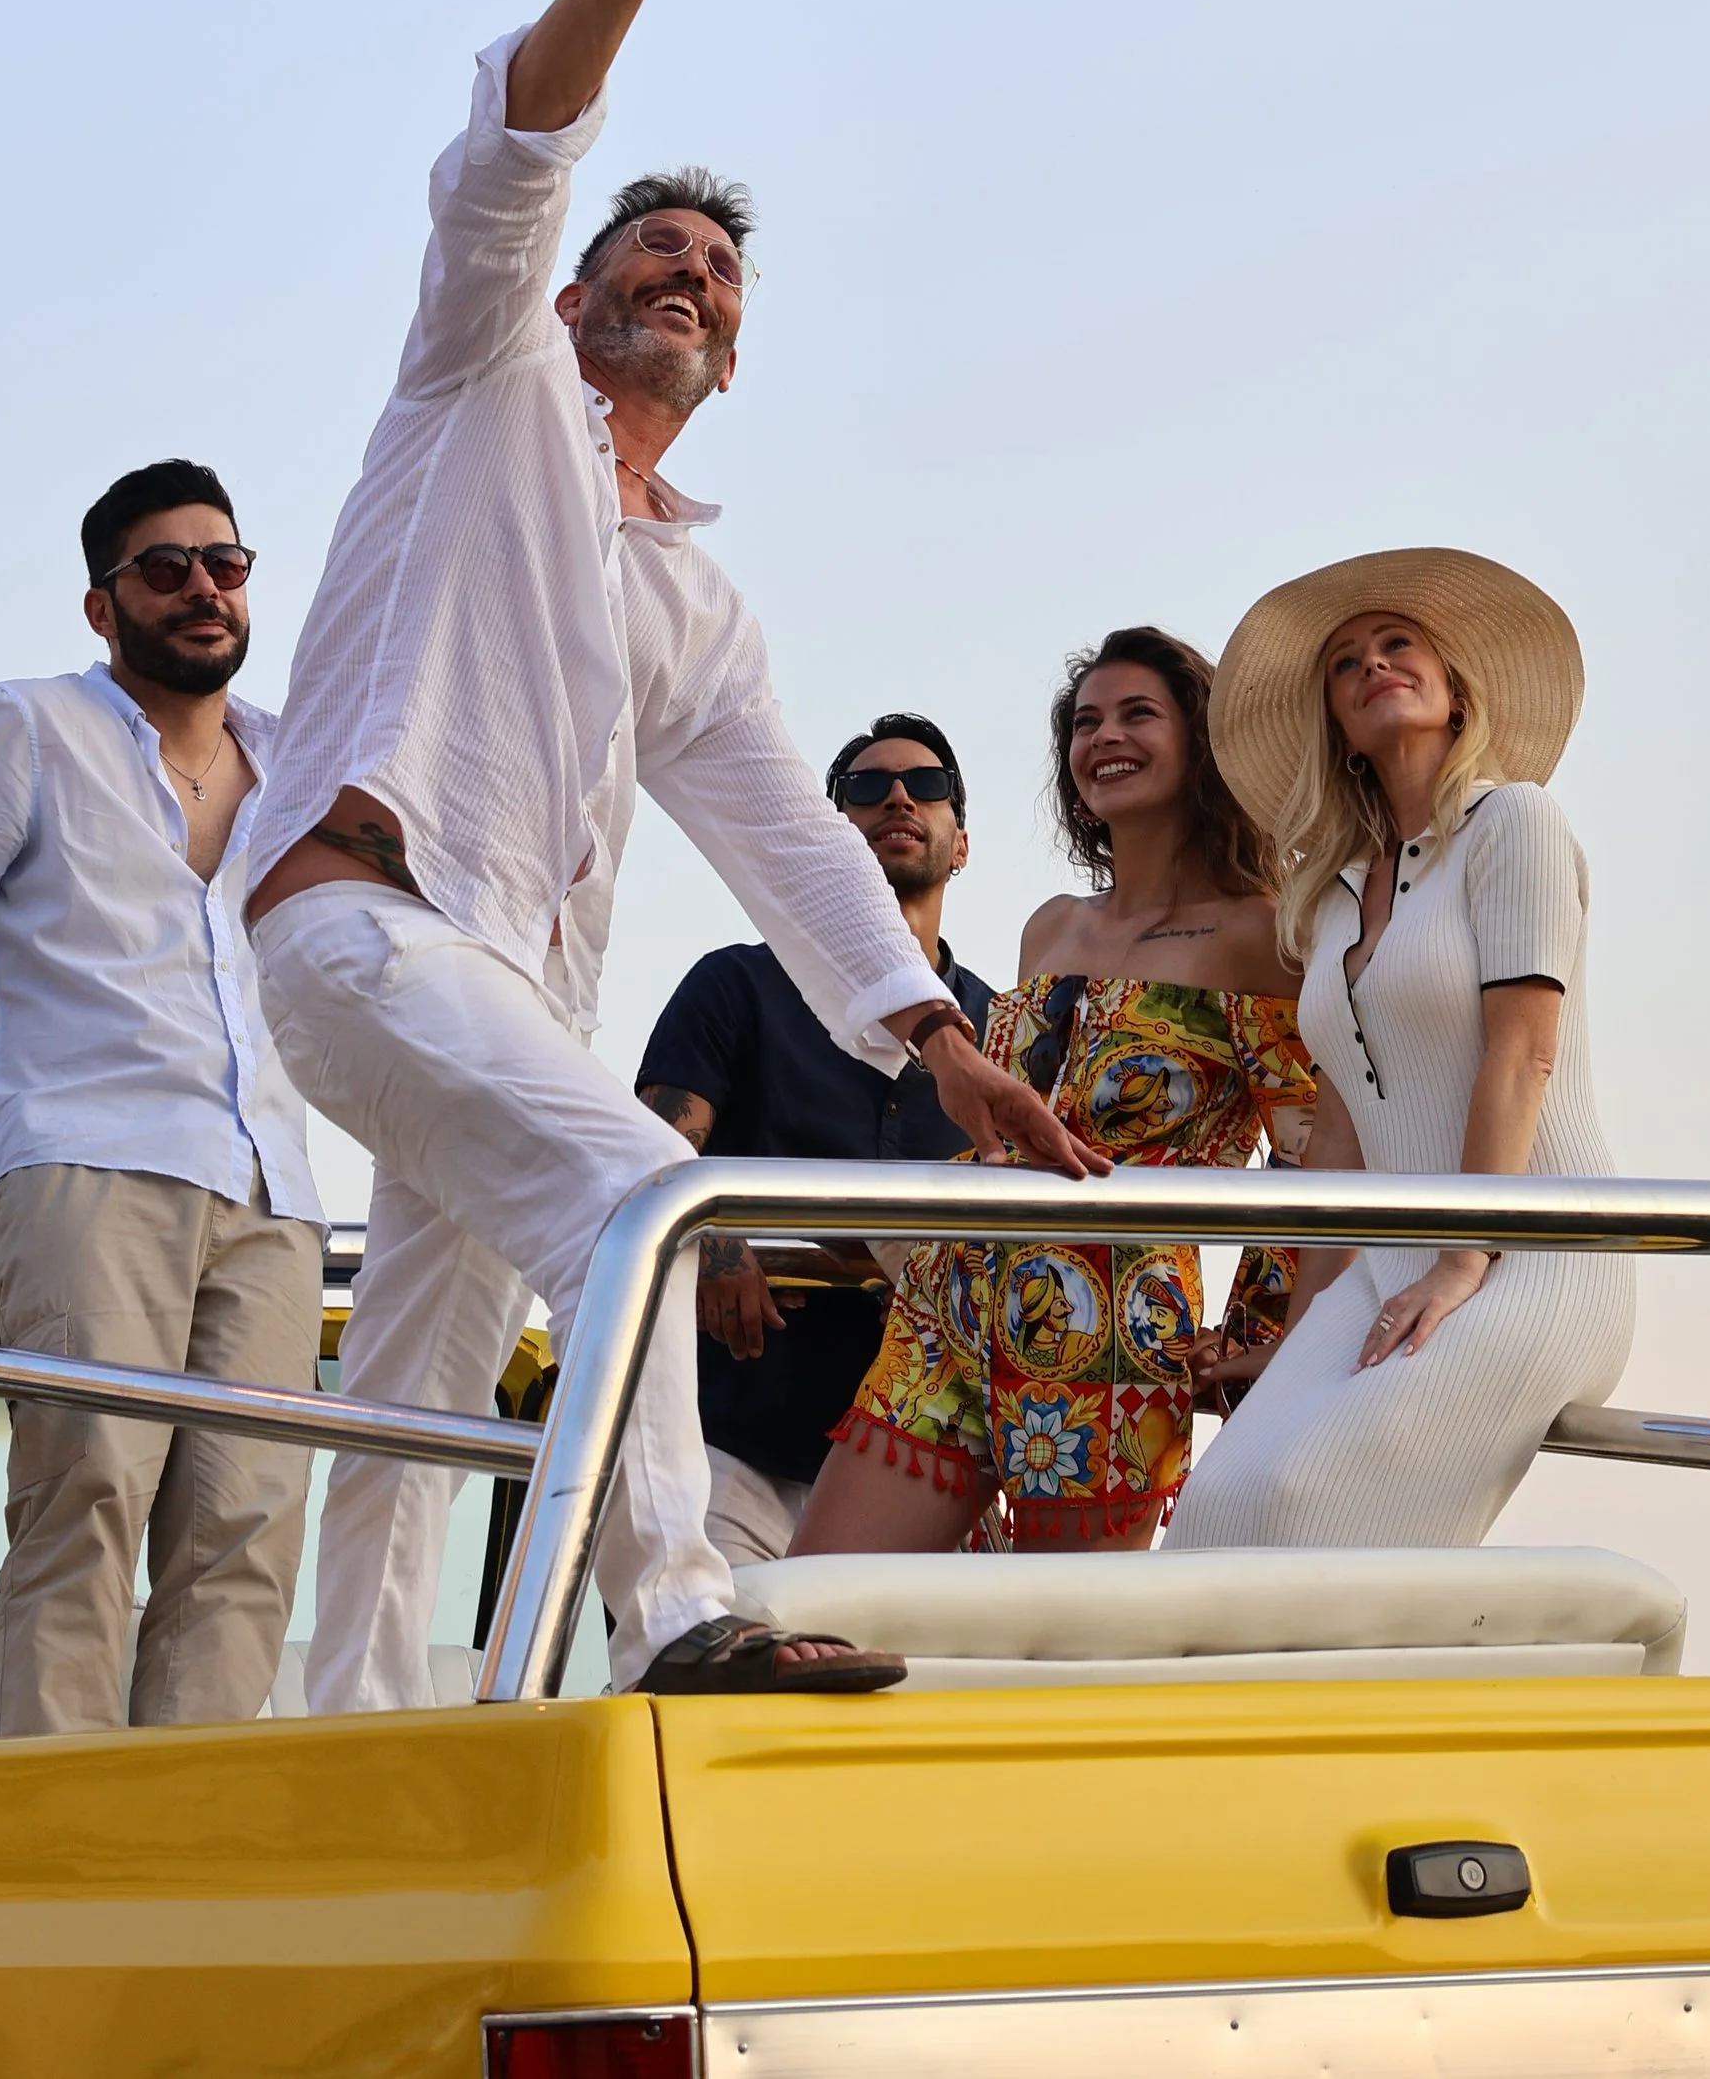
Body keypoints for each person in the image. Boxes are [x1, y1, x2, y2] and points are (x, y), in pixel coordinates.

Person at [242, 0, 1099, 1707]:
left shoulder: (695, 602)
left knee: (421, 1374)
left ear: (735, 348)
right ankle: (676, 1613)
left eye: (717, 264)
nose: (688, 270)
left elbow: (791, 837)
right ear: (571, 294)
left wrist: (944, 1045)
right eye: (653, 245)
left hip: (511, 986)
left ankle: (357, 1718)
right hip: (362, 927)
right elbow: (510, 157)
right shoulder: (482, 380)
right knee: (649, 1199)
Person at [0, 460, 325, 1735]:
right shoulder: (21, 729)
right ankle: (58, 1814)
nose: (202, 588)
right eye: (165, 568)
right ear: (103, 606)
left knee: (250, 1528)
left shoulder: (303, 762)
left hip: (270, 1186)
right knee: (86, 1493)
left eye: (225, 564)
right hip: (88, 1165)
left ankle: (188, 1825)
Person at [794, 627, 1315, 1555]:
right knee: (814, 1596)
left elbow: (1309, 1157)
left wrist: (1255, 1336)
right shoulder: (1052, 928)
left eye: (1137, 714)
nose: (1104, 736)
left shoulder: (1259, 937)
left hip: (1107, 1339)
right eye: (1085, 722)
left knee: (1050, 1638)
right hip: (950, 1305)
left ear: (1202, 744)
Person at [1163, 546, 1632, 1552]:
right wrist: (1295, 1352)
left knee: (1300, 1505)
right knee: (1211, 1513)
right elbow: (1337, 1143)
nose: (1373, 664)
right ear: (1336, 726)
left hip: (1532, 1261)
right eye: (1345, 663)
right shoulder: (1330, 899)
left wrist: (1462, 1260)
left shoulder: (1514, 822)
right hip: (1388, 1270)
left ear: (1454, 689)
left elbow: (1523, 1056)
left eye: (1397, 643)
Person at [635, 714, 997, 1567]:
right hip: (727, 1448)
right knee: (712, 1658)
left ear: (962, 842)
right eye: (865, 790)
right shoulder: (734, 987)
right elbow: (649, 1153)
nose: (898, 798)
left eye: (926, 786)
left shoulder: (1003, 1030)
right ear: (827, 844)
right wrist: (713, 1236)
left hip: (928, 1470)